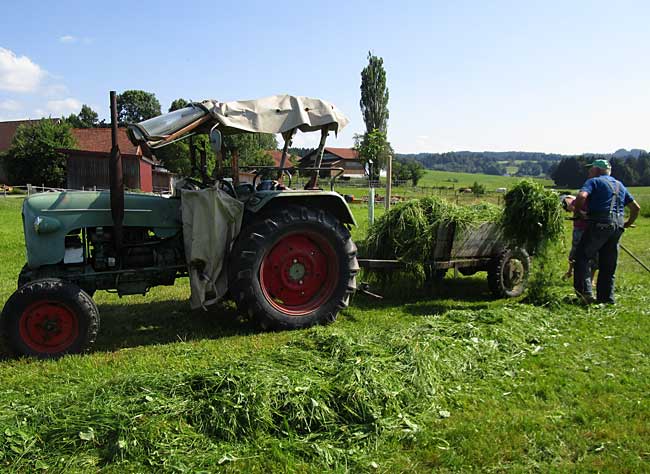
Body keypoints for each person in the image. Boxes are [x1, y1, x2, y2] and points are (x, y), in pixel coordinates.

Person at [572, 159, 640, 304]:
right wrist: (627, 223)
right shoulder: (619, 185)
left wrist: (578, 212)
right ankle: (606, 299)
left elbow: (581, 197)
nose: (589, 172)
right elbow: (636, 208)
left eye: (590, 170)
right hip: (618, 226)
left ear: (597, 170)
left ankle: (586, 294)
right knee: (608, 264)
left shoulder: (594, 182)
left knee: (582, 257)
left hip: (599, 223)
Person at [560, 195, 596, 280]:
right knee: (575, 250)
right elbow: (571, 206)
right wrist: (580, 213)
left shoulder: (595, 200)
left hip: (593, 229)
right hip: (579, 228)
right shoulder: (578, 199)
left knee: (594, 254)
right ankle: (570, 271)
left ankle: (591, 278)